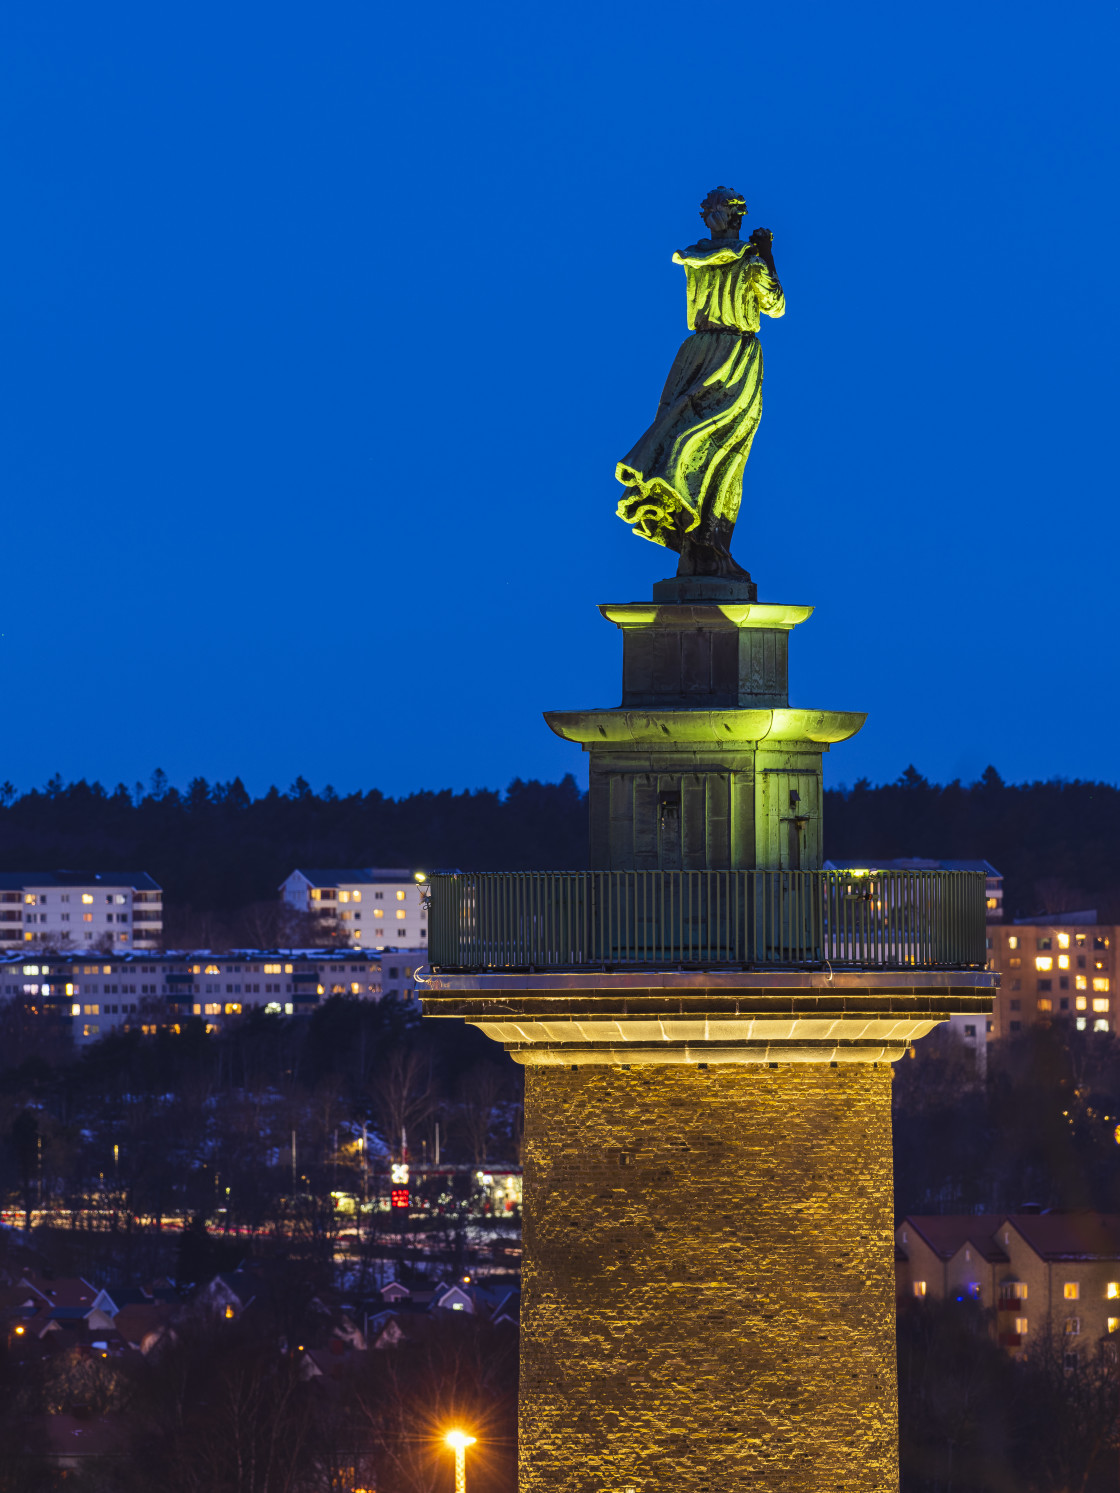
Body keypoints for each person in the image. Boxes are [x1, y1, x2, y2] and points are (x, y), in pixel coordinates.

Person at [615, 186, 785, 578]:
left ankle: (699, 547)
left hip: (696, 355)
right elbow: (775, 306)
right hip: (734, 359)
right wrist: (767, 252)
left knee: (686, 437)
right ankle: (711, 545)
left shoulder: (695, 259)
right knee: (726, 453)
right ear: (737, 218)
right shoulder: (750, 261)